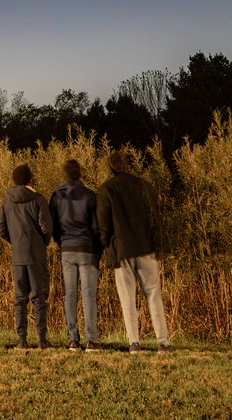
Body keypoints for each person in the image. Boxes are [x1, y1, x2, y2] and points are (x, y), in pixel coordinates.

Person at [96, 149, 174, 353]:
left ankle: (134, 342)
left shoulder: (106, 189)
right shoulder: (143, 185)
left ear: (111, 168)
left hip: (121, 250)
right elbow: (154, 216)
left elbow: (103, 225)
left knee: (127, 299)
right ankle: (162, 341)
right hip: (145, 247)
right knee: (154, 294)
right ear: (129, 165)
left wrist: (105, 245)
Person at [0, 163, 52, 349]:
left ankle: (22, 339)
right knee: (39, 297)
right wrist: (41, 242)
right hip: (36, 254)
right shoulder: (38, 199)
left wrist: (16, 243)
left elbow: (1, 230)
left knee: (20, 298)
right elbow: (46, 228)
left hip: (17, 255)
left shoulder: (7, 201)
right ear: (30, 178)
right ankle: (42, 339)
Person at [49, 158, 102, 352]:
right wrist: (98, 248)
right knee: (89, 294)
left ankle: (72, 338)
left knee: (70, 294)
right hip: (87, 248)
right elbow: (96, 227)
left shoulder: (56, 196)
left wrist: (61, 241)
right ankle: (92, 339)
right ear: (80, 173)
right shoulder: (90, 195)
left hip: (67, 249)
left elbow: (52, 225)